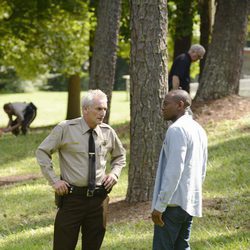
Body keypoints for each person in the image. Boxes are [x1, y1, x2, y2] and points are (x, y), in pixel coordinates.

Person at [36, 89, 126, 250]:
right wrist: (54, 181)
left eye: (105, 109)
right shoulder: (66, 129)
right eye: (99, 109)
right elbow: (42, 152)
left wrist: (114, 174)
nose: (103, 113)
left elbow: (120, 156)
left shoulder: (107, 132)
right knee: (63, 246)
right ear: (85, 109)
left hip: (99, 200)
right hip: (72, 199)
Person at [151, 90, 208, 250]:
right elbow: (202, 168)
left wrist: (160, 206)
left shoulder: (176, 129)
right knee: (182, 246)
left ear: (180, 105)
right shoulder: (198, 129)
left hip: (172, 205)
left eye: (166, 104)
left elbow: (174, 170)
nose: (162, 108)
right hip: (188, 202)